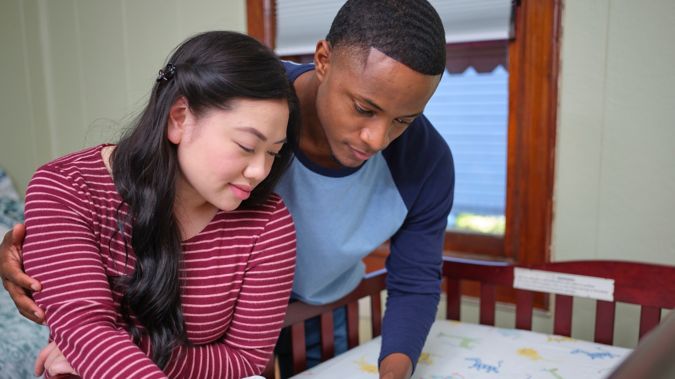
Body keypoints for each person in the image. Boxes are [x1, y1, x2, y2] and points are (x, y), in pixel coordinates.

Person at [1, 1, 454, 378]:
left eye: (403, 120)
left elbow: (414, 282)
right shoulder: (247, 96)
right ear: (323, 59)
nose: (376, 139)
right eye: (362, 108)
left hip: (313, 308)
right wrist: (48, 249)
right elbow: (141, 169)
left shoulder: (421, 166)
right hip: (186, 320)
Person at [9, 30, 299, 379]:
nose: (260, 171)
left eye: (272, 152)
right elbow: (86, 329)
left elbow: (246, 359)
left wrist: (130, 348)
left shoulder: (268, 222)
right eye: (246, 146)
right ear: (180, 118)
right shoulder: (65, 188)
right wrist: (90, 346)